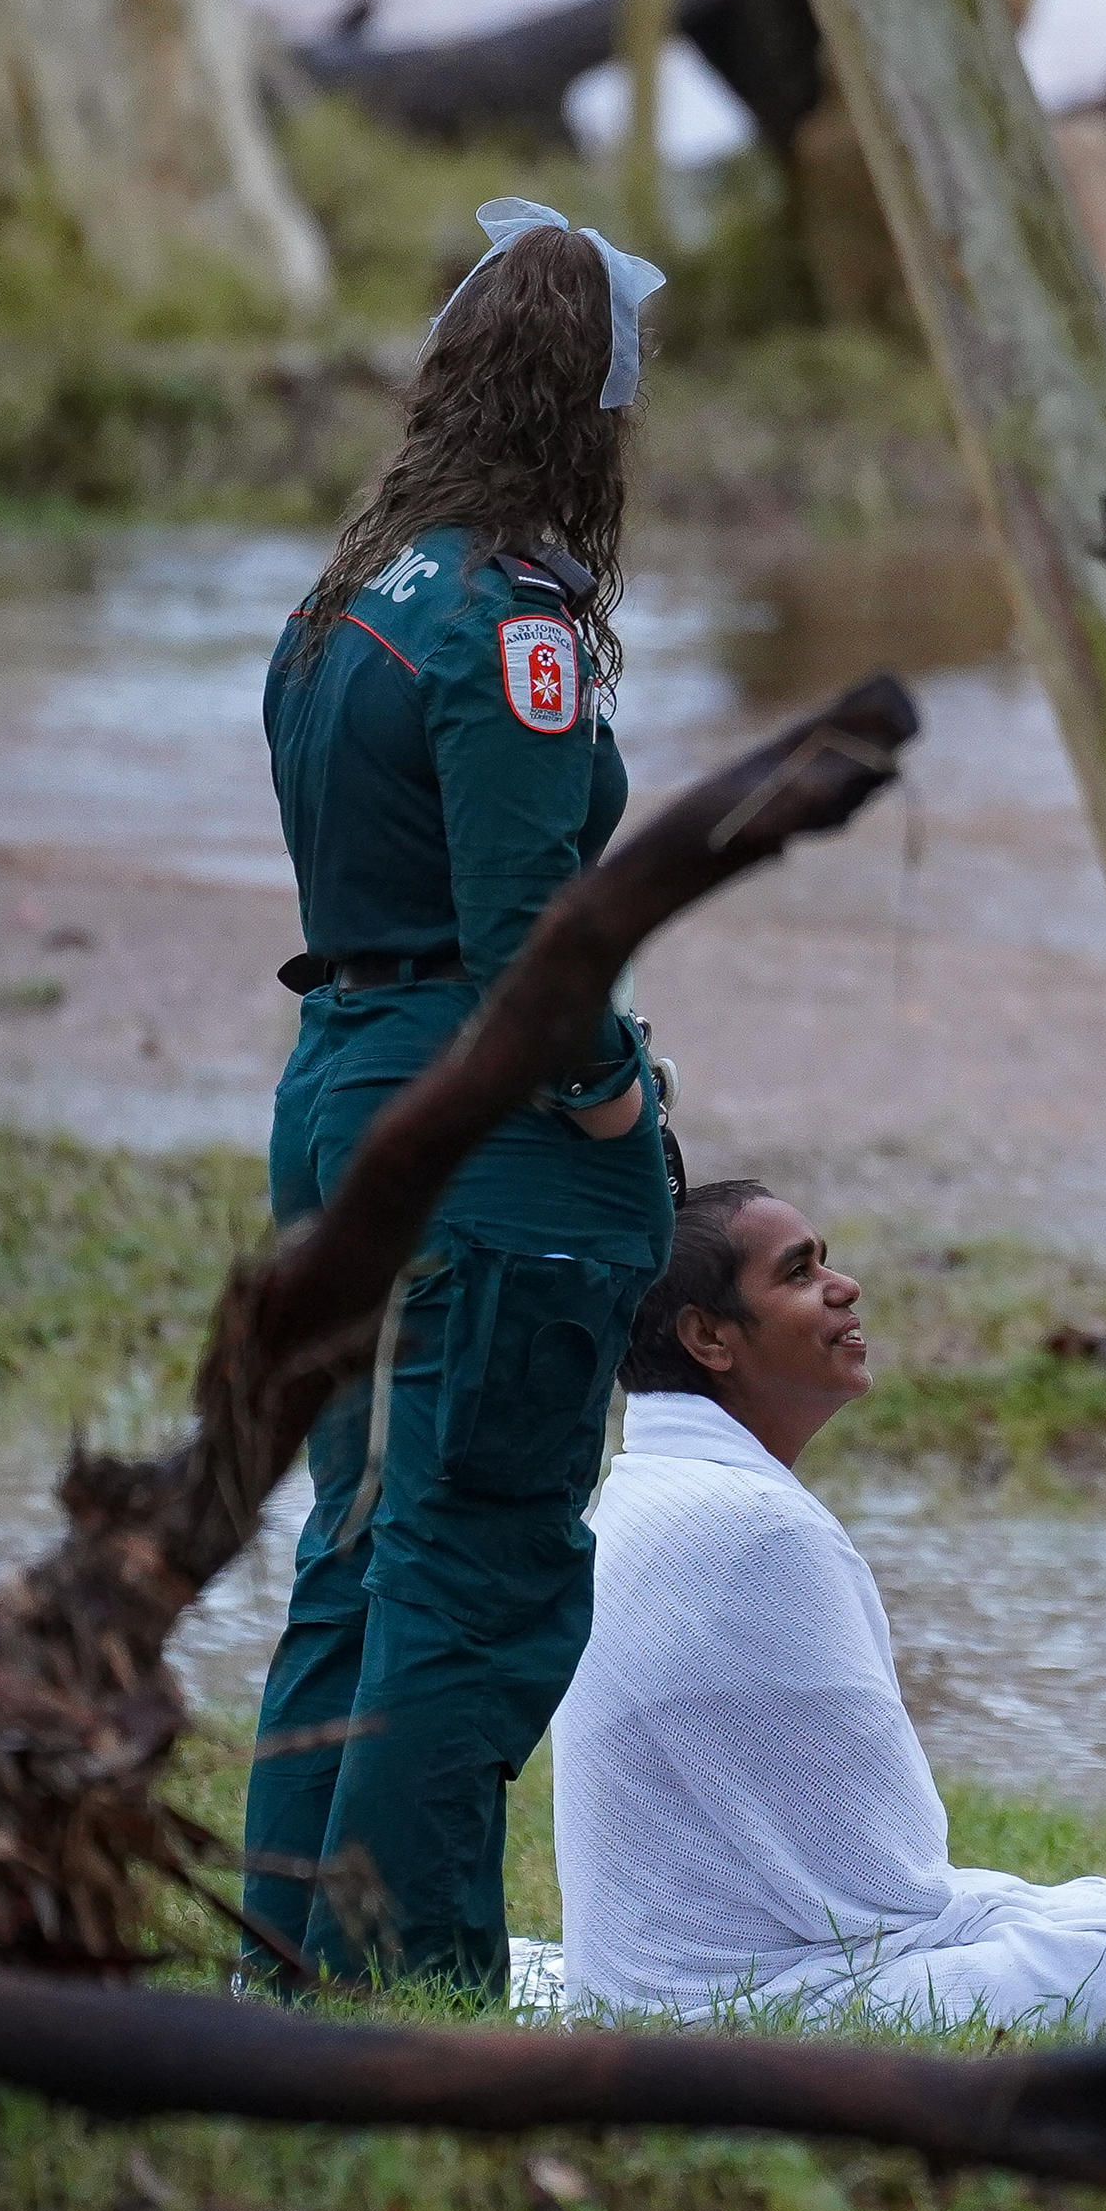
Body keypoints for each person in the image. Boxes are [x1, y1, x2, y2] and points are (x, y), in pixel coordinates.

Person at [241, 201, 676, 1994]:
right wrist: (603, 1104)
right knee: (470, 1563)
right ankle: (418, 1982)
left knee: (352, 1545)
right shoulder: (514, 619)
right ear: (583, 414)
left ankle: (285, 1965)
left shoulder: (343, 603)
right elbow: (528, 931)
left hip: (341, 1091)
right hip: (473, 1132)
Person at [548, 1182, 1106, 2035]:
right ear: (710, 1336)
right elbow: (882, 1896)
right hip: (733, 2007)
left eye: (826, 1260)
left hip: (662, 1975)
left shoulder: (645, 1491)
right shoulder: (756, 1527)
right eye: (799, 1273)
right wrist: (1035, 1923)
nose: (843, 1285)